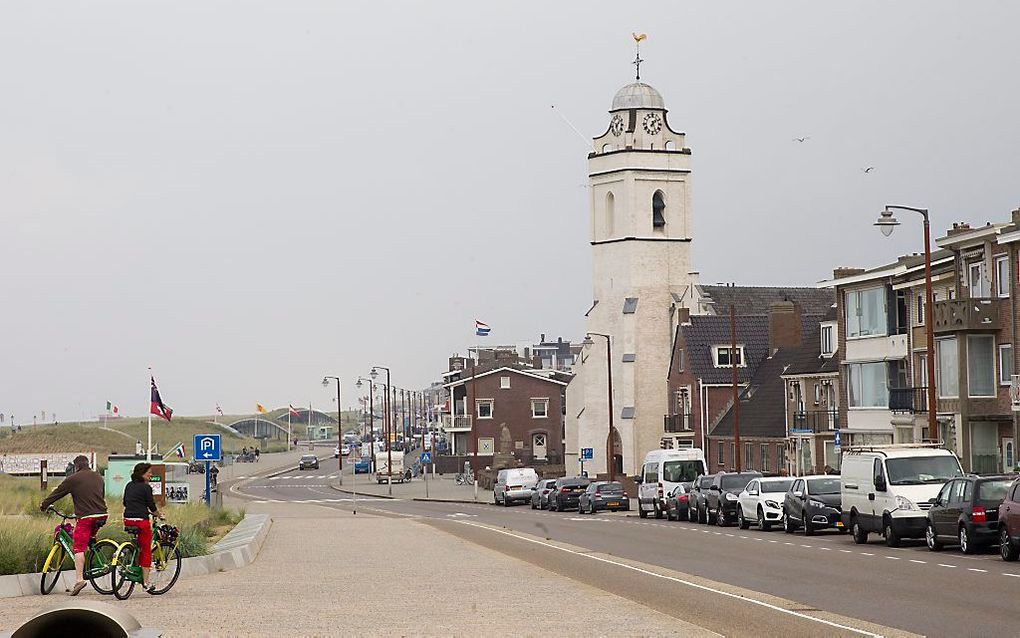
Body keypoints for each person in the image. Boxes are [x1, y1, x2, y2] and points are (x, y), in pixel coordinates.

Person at [39, 455, 108, 596]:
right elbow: (101, 495)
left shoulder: (73, 479)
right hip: (102, 514)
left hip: (86, 517)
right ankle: (92, 560)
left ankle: (79, 580)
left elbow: (57, 493)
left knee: (78, 547)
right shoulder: (98, 477)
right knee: (89, 540)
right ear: (87, 464)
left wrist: (44, 505)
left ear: (76, 467)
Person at [123, 462, 164, 593]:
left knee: (137, 546)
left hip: (128, 520)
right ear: (142, 473)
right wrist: (159, 515)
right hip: (141, 521)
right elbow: (151, 506)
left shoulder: (129, 486)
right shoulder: (146, 488)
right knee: (146, 550)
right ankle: (145, 583)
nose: (151, 475)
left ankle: (133, 562)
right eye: (149, 472)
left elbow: (125, 502)